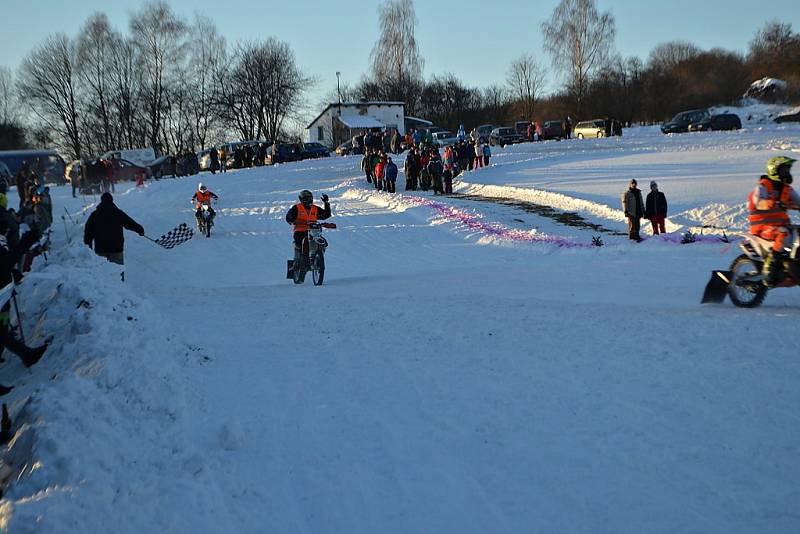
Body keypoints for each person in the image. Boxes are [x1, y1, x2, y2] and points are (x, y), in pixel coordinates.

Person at [0, 215, 48, 394]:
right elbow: (4, 260)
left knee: (2, 330)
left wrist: (11, 273)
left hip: (3, 294)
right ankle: (27, 355)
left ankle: (26, 355)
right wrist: (25, 244)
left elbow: (3, 262)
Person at [748, 156, 800, 286]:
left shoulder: (787, 189)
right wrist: (773, 202)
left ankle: (792, 264)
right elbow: (758, 202)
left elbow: (798, 202)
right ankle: (770, 265)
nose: (786, 174)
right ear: (774, 170)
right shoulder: (763, 187)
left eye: (788, 171)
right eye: (783, 171)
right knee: (784, 233)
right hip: (763, 227)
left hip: (780, 225)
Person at [83, 192, 145, 266]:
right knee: (117, 272)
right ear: (112, 200)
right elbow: (129, 223)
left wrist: (88, 245)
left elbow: (88, 231)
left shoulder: (95, 214)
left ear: (101, 201)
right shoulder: (117, 213)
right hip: (116, 248)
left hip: (100, 248)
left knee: (102, 273)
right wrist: (139, 229)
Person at [285, 190, 331, 266]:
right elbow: (289, 216)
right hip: (300, 231)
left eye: (309, 198)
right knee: (301, 242)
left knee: (323, 242)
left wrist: (326, 203)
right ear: (301, 199)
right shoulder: (296, 208)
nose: (307, 200)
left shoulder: (315, 208)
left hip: (314, 231)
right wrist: (292, 220)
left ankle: (318, 257)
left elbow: (326, 215)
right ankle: (299, 260)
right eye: (305, 198)